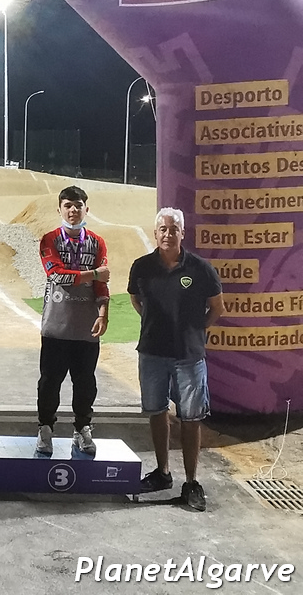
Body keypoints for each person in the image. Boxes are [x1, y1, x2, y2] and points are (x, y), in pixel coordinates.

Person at [128, 207, 223, 511]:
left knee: (191, 419)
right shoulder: (141, 267)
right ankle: (162, 473)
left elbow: (217, 308)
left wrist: (194, 330)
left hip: (188, 357)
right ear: (155, 233)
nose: (168, 234)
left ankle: (192, 482)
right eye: (163, 229)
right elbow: (136, 300)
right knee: (156, 412)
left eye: (174, 229)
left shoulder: (201, 269)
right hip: (152, 353)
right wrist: (155, 325)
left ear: (183, 233)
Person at [36, 185, 110, 456]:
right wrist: (94, 274)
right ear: (59, 209)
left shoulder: (97, 242)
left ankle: (82, 428)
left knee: (85, 384)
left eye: (78, 205)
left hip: (86, 327)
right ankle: (45, 428)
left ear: (86, 209)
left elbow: (103, 284)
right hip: (56, 327)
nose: (73, 210)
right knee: (49, 382)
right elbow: (56, 275)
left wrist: (103, 312)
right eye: (67, 205)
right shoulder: (49, 240)